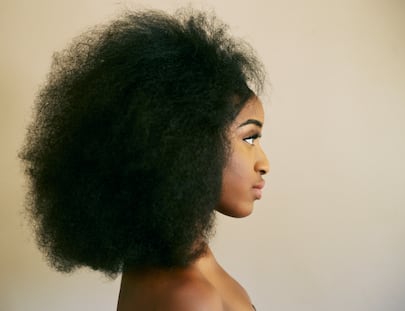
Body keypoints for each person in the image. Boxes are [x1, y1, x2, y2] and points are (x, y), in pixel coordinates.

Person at [20, 8, 269, 311]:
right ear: (187, 146)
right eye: (249, 138)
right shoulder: (188, 297)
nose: (264, 163)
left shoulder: (183, 262)